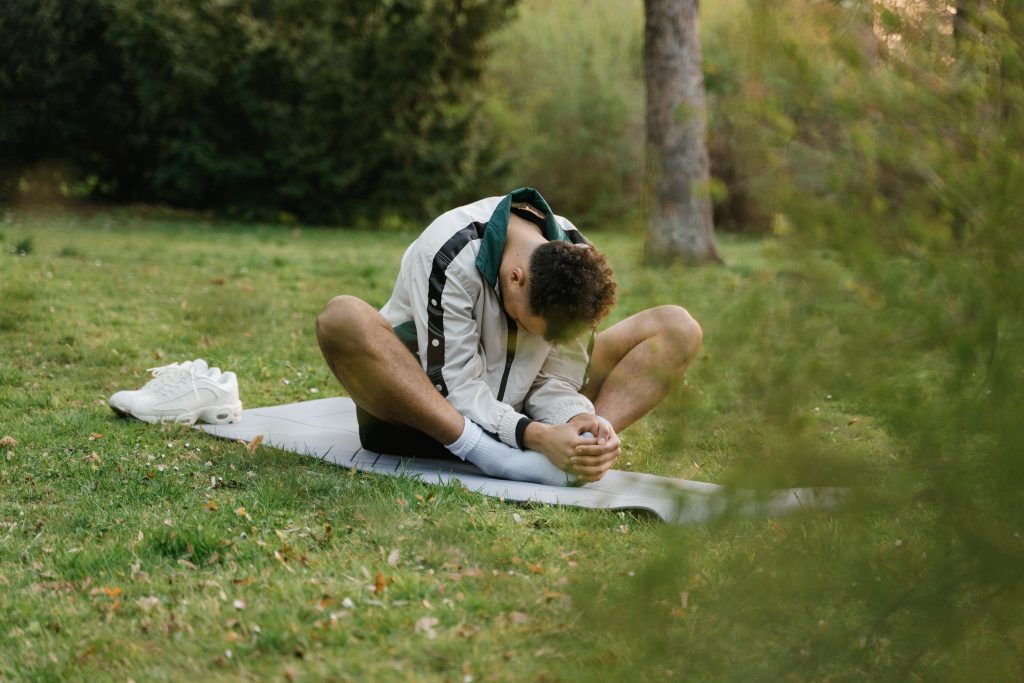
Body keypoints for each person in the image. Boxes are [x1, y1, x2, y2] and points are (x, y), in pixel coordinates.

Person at [315, 188, 702, 486]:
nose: (536, 339)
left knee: (677, 327)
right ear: (516, 278)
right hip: (422, 419)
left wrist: (579, 421)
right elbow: (458, 387)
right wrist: (532, 437)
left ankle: (583, 453)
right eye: (529, 325)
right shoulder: (450, 250)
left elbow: (555, 380)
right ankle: (500, 458)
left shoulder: (575, 260)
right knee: (342, 316)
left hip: (522, 412)